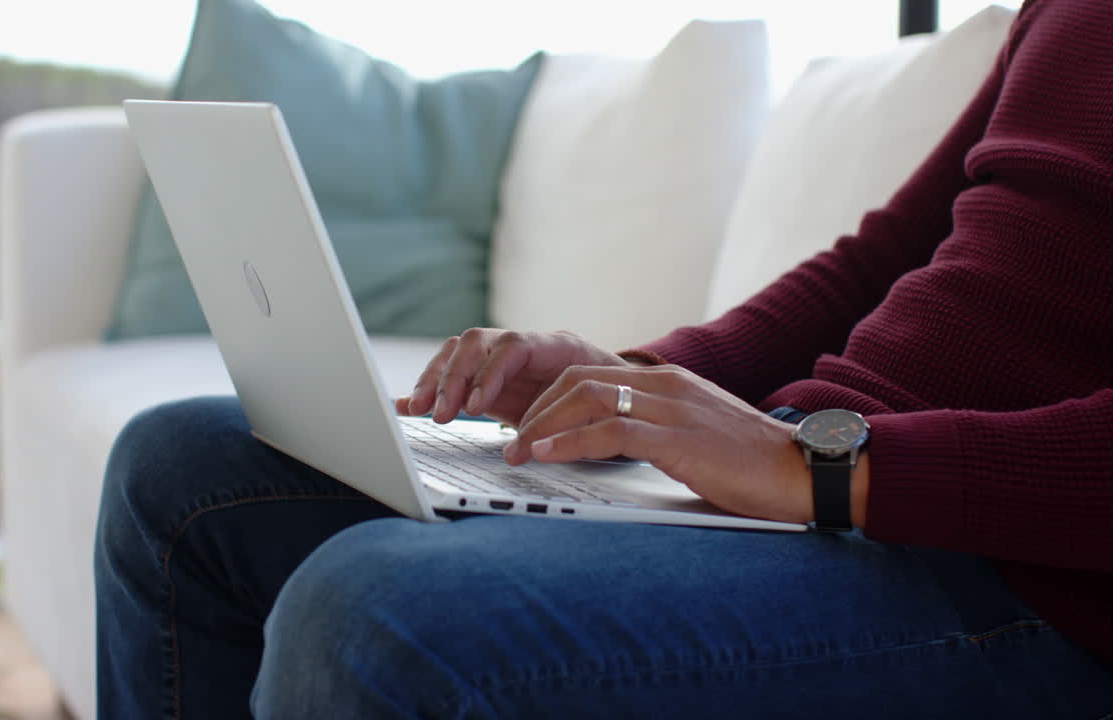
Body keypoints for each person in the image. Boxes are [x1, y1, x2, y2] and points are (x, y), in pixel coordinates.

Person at [94, 0, 1113, 716]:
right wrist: (627, 382)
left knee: (372, 616)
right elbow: (882, 257)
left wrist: (826, 471)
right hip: (824, 490)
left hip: (1019, 580)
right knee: (182, 471)